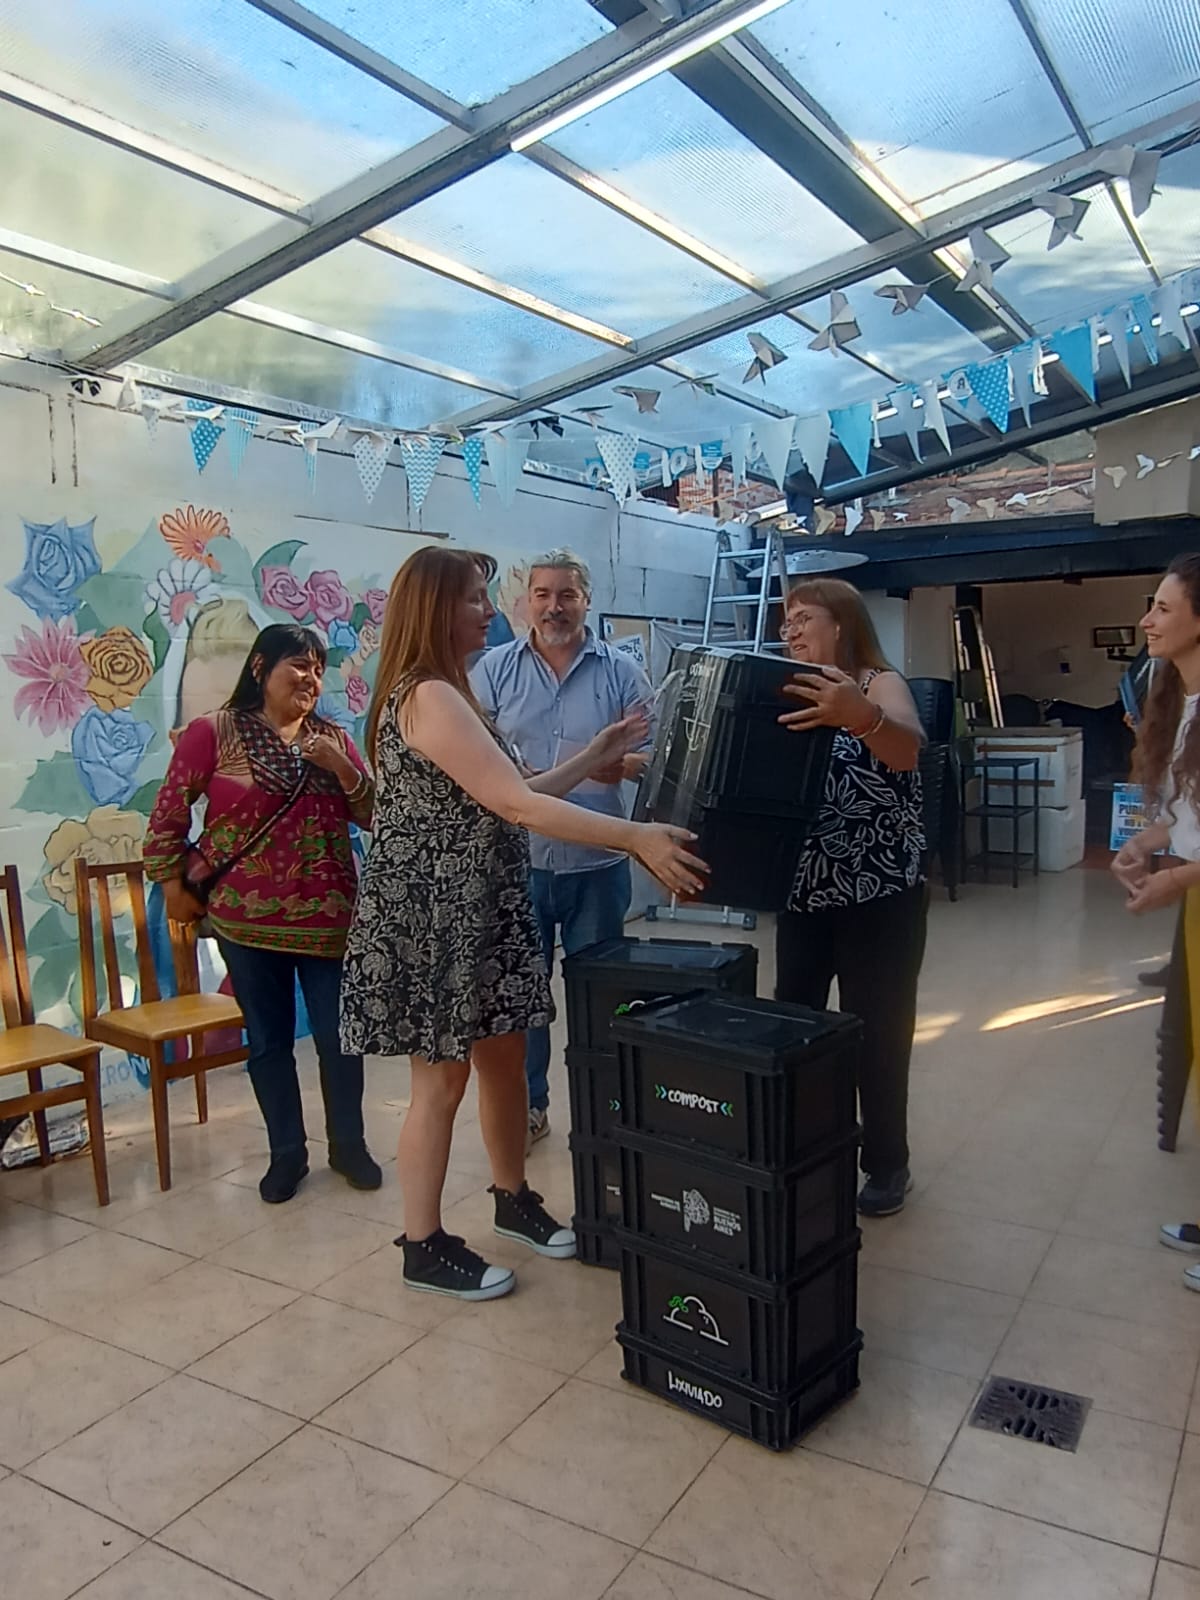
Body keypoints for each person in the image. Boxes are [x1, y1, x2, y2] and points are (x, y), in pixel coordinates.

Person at [340, 547, 706, 1302]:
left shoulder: (453, 691)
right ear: (436, 609)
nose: (491, 610)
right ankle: (422, 1244)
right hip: (440, 917)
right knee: (441, 1081)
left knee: (504, 1061)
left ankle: (512, 1198)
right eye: (475, 598)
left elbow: (516, 787)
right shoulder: (430, 695)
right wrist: (635, 837)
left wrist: (595, 755)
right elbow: (516, 804)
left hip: (484, 905)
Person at [145, 623, 382, 1204]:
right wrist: (173, 885)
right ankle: (286, 1154)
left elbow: (373, 814)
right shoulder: (213, 733)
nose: (310, 679)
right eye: (297, 665)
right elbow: (167, 816)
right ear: (259, 668)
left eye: (318, 669)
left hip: (328, 921)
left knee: (339, 1039)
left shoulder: (332, 737)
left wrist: (343, 766)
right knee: (270, 1042)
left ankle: (348, 1146)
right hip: (246, 924)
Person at [470, 549, 652, 1146]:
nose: (554, 607)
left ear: (586, 601)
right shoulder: (493, 670)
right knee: (524, 1000)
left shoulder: (622, 672)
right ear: (527, 601)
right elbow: (476, 754)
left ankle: (605, 1107)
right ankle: (531, 1106)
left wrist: (626, 765)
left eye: (567, 595)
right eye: (543, 594)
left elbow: (660, 756)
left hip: (597, 864)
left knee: (601, 997)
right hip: (516, 864)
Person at [773, 578, 928, 1218]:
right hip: (804, 894)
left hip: (880, 896)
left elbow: (908, 751)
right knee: (797, 1025)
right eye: (786, 622)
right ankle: (805, 1148)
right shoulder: (787, 690)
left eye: (804, 619)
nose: (791, 631)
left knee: (879, 1033)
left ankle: (887, 1163)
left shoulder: (878, 683)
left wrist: (857, 715)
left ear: (842, 625)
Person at [1111, 554, 1200, 1292]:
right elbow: (1191, 816)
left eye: (1164, 608)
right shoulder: (1184, 702)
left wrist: (1180, 878)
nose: (1147, 620)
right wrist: (1149, 843)